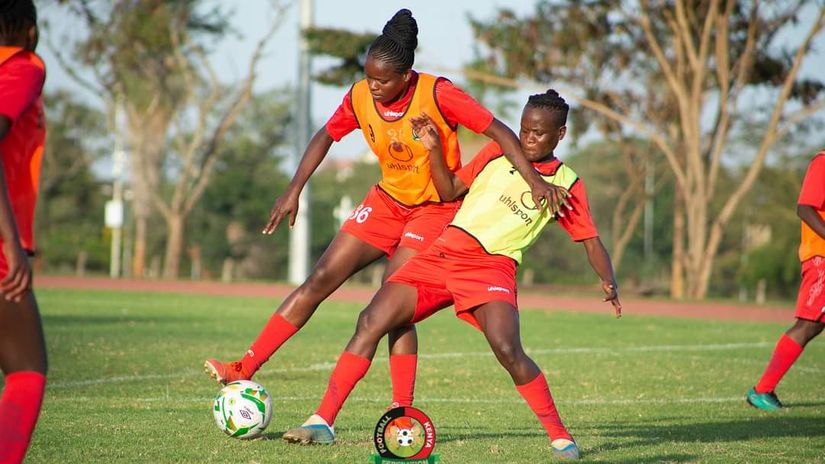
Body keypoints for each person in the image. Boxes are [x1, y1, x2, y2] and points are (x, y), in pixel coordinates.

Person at [204, 9, 570, 411]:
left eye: (382, 79)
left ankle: (402, 412)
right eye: (368, 76)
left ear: (406, 77)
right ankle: (245, 366)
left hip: (433, 210)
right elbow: (326, 135)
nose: (372, 85)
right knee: (319, 279)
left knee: (394, 305)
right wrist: (294, 188)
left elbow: (499, 130)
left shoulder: (439, 92)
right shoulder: (360, 96)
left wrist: (536, 181)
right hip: (385, 201)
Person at [281, 90, 621, 460]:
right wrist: (434, 151)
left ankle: (560, 437)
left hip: (492, 267)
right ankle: (322, 421)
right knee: (371, 320)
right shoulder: (496, 152)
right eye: (524, 130)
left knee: (508, 350)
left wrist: (608, 279)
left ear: (561, 134)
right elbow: (449, 191)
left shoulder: (567, 184)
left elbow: (590, 241)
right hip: (444, 254)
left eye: (538, 133)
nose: (528, 139)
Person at [0, 1, 48, 463]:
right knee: (27, 372)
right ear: (28, 30)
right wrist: (12, 243)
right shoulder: (22, 66)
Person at [746, 151, 825, 411]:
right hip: (821, 258)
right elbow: (804, 208)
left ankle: (763, 390)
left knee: (812, 325)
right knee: (808, 324)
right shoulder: (822, 162)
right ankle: (762, 390)